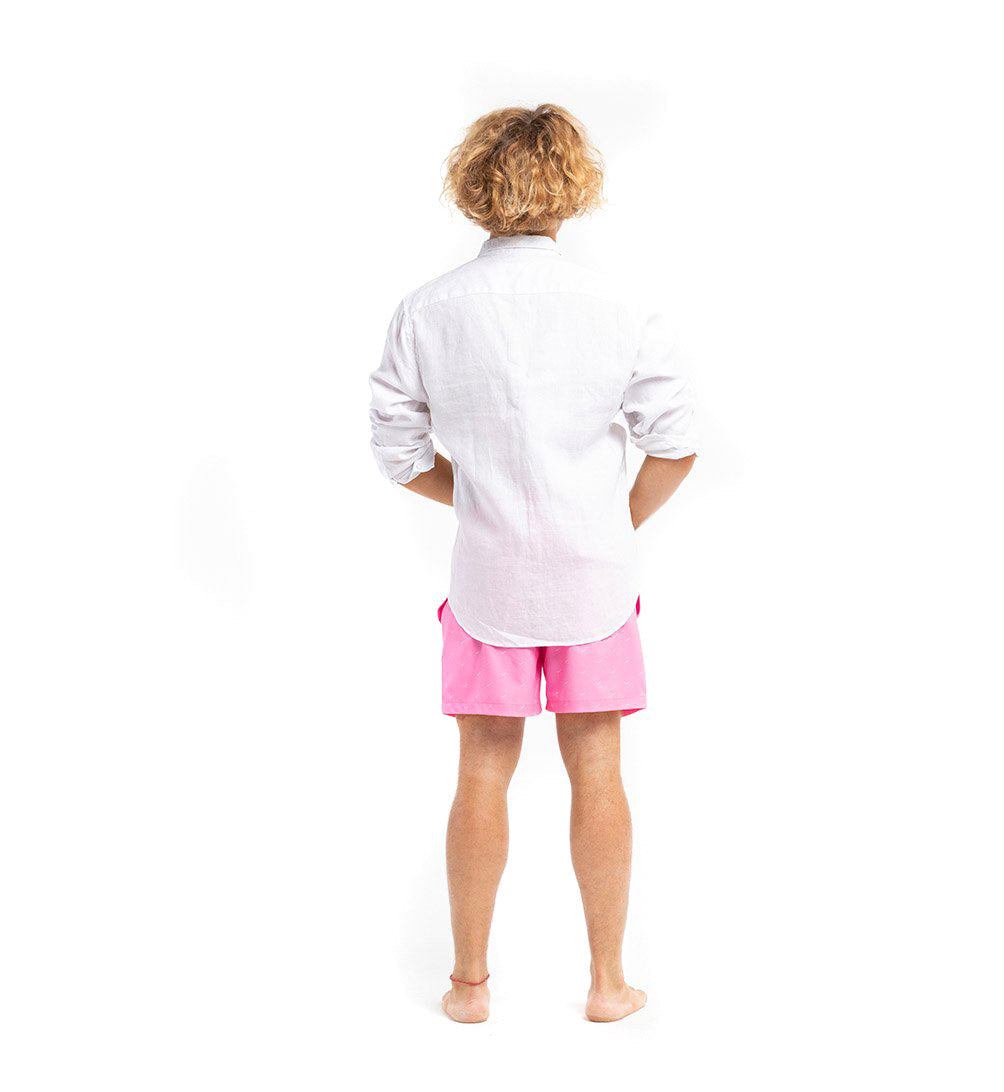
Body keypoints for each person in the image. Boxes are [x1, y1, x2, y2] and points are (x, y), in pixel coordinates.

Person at [368, 104, 697, 1023]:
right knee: (599, 766)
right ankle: (606, 983)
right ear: (572, 186)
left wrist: (473, 495)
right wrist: (615, 522)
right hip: (597, 577)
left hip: (486, 582)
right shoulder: (618, 306)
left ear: (474, 185)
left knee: (480, 769)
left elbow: (396, 450)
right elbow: (676, 442)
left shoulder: (428, 309)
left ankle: (468, 986)